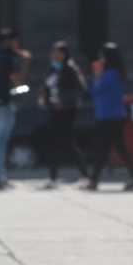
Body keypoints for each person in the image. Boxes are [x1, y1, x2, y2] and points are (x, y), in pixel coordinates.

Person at [85, 42, 133, 191]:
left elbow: (95, 90)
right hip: (111, 115)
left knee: (103, 148)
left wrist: (96, 75)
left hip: (108, 116)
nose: (100, 59)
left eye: (102, 56)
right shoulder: (116, 73)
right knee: (118, 147)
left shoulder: (110, 75)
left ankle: (93, 180)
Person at [0, 28, 32, 190]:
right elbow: (19, 81)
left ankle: (0, 177)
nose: (17, 44)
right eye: (15, 41)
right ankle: (0, 178)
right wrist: (26, 63)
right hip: (4, 103)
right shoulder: (8, 59)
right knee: (1, 142)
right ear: (9, 41)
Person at [39, 41, 88, 189]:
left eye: (57, 52)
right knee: (54, 142)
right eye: (53, 52)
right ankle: (53, 177)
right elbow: (47, 87)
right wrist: (45, 98)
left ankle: (85, 175)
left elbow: (80, 89)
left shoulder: (70, 68)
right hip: (54, 110)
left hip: (67, 110)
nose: (54, 55)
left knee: (68, 142)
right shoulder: (52, 69)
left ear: (64, 54)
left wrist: (64, 101)